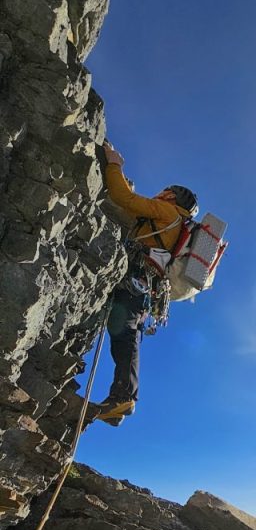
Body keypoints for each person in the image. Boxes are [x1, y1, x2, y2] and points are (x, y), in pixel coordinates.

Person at [92, 141, 198, 425]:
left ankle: (123, 398)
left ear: (173, 197)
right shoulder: (175, 221)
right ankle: (121, 401)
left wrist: (113, 164)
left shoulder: (167, 212)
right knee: (127, 335)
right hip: (146, 286)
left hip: (139, 278)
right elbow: (129, 208)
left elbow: (122, 198)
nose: (160, 193)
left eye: (166, 192)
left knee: (124, 334)